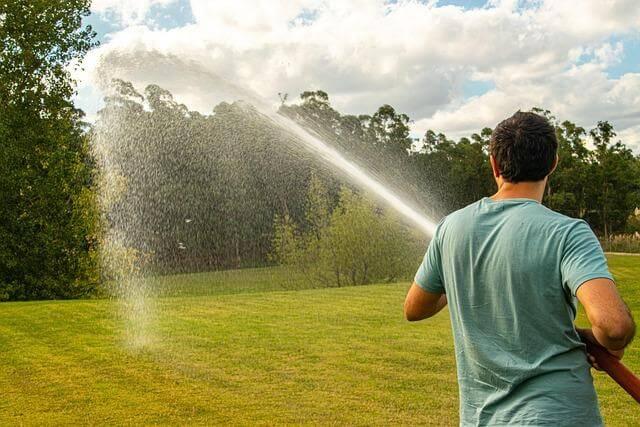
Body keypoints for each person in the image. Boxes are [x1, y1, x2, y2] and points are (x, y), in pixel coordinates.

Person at [403, 111, 636, 426]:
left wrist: (465, 274)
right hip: (560, 415)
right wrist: (601, 341)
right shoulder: (567, 232)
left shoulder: (451, 228)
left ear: (495, 165)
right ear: (553, 163)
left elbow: (415, 308)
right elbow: (614, 326)